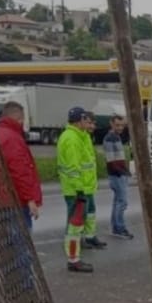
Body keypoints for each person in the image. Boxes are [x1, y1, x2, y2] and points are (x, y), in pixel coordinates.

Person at [0, 101, 43, 298]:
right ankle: (25, 287)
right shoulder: (13, 138)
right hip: (15, 200)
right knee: (22, 244)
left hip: (0, 199)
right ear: (19, 118)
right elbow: (19, 171)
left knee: (8, 244)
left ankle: (11, 285)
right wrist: (30, 198)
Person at [57, 107, 97, 273]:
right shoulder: (72, 139)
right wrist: (80, 190)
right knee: (74, 227)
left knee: (76, 226)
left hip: (76, 189)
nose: (87, 123)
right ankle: (74, 260)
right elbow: (74, 169)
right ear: (79, 120)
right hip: (76, 190)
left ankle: (74, 258)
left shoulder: (75, 136)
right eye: (85, 119)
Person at [79, 111, 107, 250]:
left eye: (93, 123)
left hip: (88, 184)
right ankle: (79, 239)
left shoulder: (87, 137)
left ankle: (90, 236)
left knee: (91, 212)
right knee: (80, 214)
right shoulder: (79, 138)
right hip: (82, 184)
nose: (92, 126)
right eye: (89, 123)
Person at [104, 115, 133, 239]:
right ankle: (119, 228)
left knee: (118, 202)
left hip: (119, 173)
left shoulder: (116, 137)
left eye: (122, 125)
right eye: (117, 125)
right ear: (111, 124)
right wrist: (123, 172)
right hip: (117, 174)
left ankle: (116, 227)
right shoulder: (111, 138)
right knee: (122, 202)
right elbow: (112, 161)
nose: (120, 127)